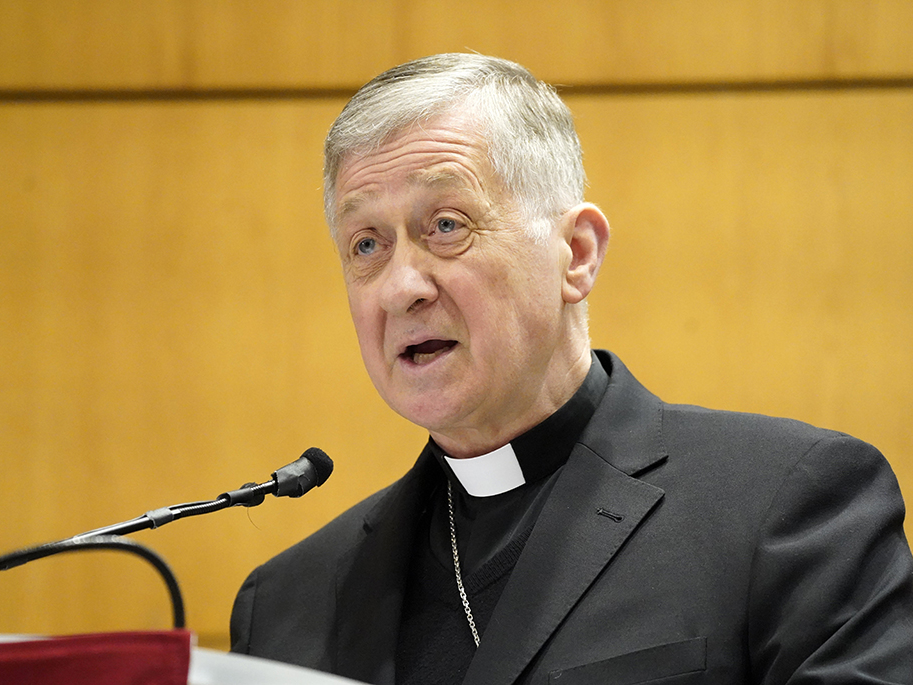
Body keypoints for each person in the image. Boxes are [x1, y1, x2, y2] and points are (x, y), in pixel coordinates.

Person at [230, 53, 913, 684]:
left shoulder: (786, 507)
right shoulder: (288, 605)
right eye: (366, 244)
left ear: (577, 253)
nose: (402, 285)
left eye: (445, 225)